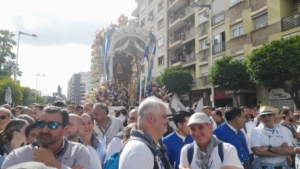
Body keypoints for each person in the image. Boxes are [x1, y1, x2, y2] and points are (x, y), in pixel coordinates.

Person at [2, 106, 90, 169]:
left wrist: (53, 163)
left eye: (52, 125)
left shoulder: (78, 152)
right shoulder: (17, 156)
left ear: (65, 129)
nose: (44, 130)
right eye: (41, 124)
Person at [119, 97, 172, 169]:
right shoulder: (140, 150)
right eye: (164, 116)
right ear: (151, 118)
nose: (168, 121)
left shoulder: (149, 146)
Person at [179, 112, 243, 169]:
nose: (196, 133)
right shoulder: (186, 151)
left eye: (200, 127)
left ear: (210, 127)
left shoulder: (227, 150)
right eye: (192, 129)